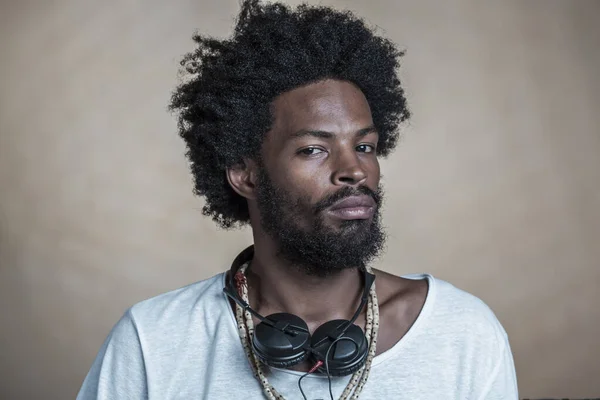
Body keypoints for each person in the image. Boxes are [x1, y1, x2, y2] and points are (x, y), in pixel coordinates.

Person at [77, 1, 518, 399]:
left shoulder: (461, 331)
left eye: (364, 146)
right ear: (244, 174)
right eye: (313, 149)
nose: (355, 170)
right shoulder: (152, 339)